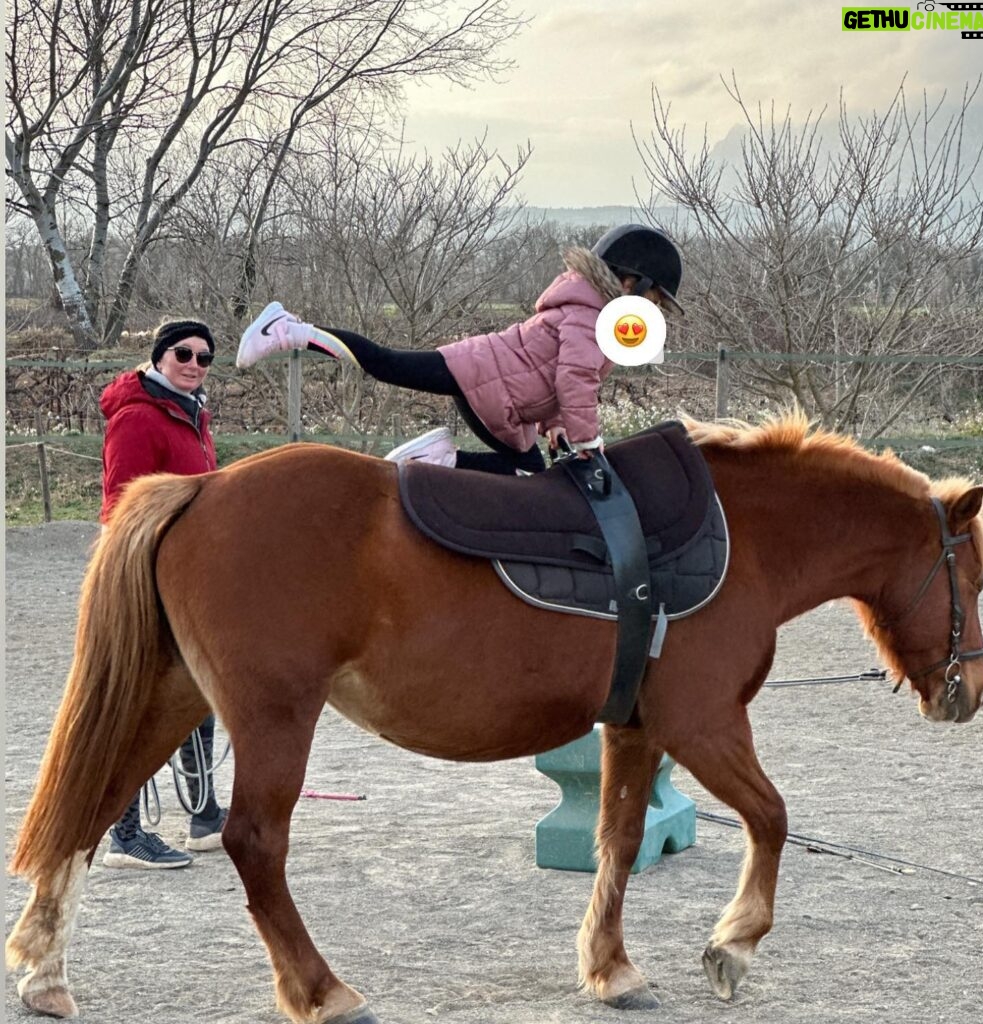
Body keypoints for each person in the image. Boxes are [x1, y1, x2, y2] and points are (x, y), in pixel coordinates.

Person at [236, 224, 684, 475]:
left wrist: (555, 426)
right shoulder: (591, 317)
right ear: (631, 282)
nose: (655, 309)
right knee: (385, 362)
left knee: (528, 474)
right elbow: (574, 380)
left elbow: (553, 376)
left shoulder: (591, 314)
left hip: (493, 386)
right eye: (656, 299)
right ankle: (288, 329)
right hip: (486, 385)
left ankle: (436, 461)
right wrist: (589, 442)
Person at [98, 320, 228, 868]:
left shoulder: (189, 412)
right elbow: (120, 510)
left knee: (198, 691)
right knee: (150, 704)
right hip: (150, 579)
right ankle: (124, 832)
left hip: (190, 577)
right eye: (184, 353)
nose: (195, 363)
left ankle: (204, 812)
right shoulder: (137, 418)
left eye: (204, 357)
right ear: (159, 356)